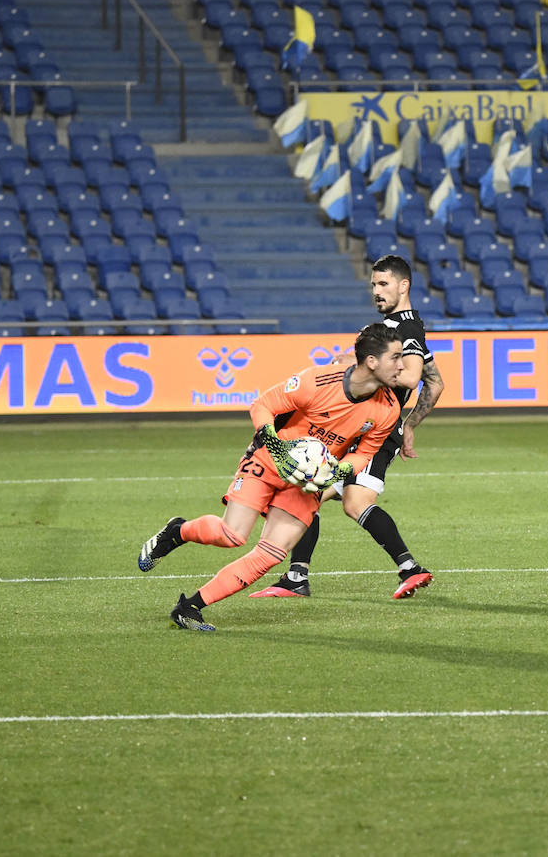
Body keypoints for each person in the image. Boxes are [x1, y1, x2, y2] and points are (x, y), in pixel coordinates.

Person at [136, 323, 405, 631]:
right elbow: (263, 405)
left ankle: (190, 607)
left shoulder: (388, 408)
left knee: (271, 553)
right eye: (396, 357)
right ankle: (177, 531)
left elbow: (363, 454)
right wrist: (277, 449)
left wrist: (337, 471)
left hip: (308, 483)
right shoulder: (316, 380)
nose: (402, 365)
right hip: (269, 460)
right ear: (372, 361)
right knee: (231, 535)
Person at [252, 253, 445, 600]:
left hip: (373, 428)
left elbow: (415, 376)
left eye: (384, 284)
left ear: (404, 286)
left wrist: (356, 370)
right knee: (317, 492)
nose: (376, 291)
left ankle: (404, 568)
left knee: (335, 496)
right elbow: (436, 383)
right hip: (375, 427)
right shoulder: (404, 327)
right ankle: (302, 575)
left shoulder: (403, 328)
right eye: (373, 284)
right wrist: (411, 424)